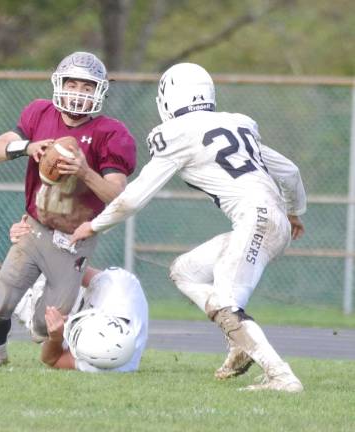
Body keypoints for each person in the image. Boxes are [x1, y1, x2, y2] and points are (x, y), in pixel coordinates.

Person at [70, 63, 307, 392]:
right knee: (185, 271)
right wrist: (295, 213)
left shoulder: (176, 133)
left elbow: (134, 197)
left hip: (255, 219)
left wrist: (95, 225)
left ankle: (281, 375)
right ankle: (240, 342)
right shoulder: (238, 125)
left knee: (225, 303)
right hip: (271, 219)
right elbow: (291, 172)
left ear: (167, 98)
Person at [0, 52, 136, 368]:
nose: (77, 92)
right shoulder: (39, 113)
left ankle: (32, 301)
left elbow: (117, 195)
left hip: (74, 238)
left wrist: (85, 171)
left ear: (99, 91)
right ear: (58, 84)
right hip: (35, 227)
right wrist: (26, 147)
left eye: (86, 87)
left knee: (48, 324)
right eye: (71, 83)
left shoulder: (111, 133)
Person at [0, 218, 149, 372]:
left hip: (83, 321)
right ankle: (22, 293)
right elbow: (73, 271)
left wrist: (55, 337)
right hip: (81, 294)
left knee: (43, 326)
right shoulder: (119, 286)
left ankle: (22, 304)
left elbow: (52, 359)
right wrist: (30, 242)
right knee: (54, 288)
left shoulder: (103, 363)